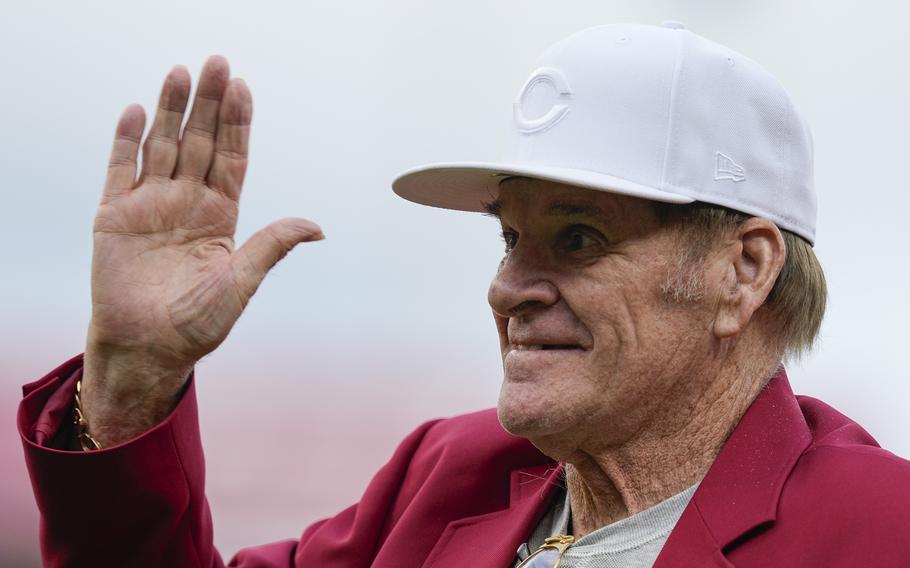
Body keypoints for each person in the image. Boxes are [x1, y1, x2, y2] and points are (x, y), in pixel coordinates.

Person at [17, 22, 910, 568]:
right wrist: (131, 380)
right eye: (510, 236)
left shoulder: (881, 533)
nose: (508, 287)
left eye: (579, 237)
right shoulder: (442, 476)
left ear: (743, 272)